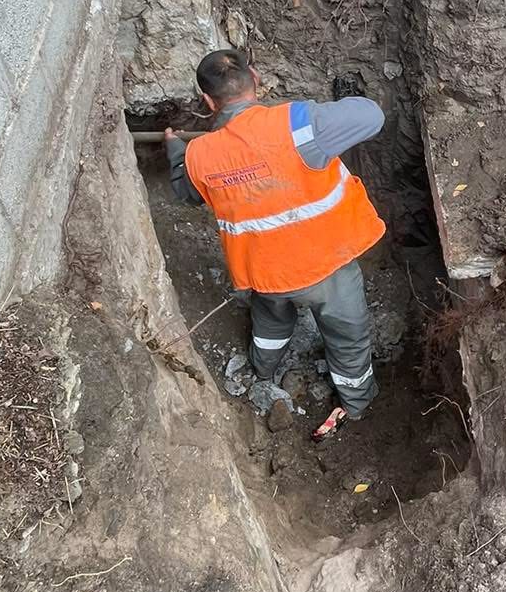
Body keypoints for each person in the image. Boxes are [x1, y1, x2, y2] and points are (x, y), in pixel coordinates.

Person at [164, 48, 386, 440]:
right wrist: (315, 114)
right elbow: (372, 116)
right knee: (348, 337)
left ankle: (262, 370)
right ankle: (355, 404)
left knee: (270, 322)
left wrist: (176, 151)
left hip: (266, 274)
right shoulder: (299, 124)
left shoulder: (200, 154)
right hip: (327, 267)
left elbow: (187, 192)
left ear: (208, 101)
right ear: (256, 78)